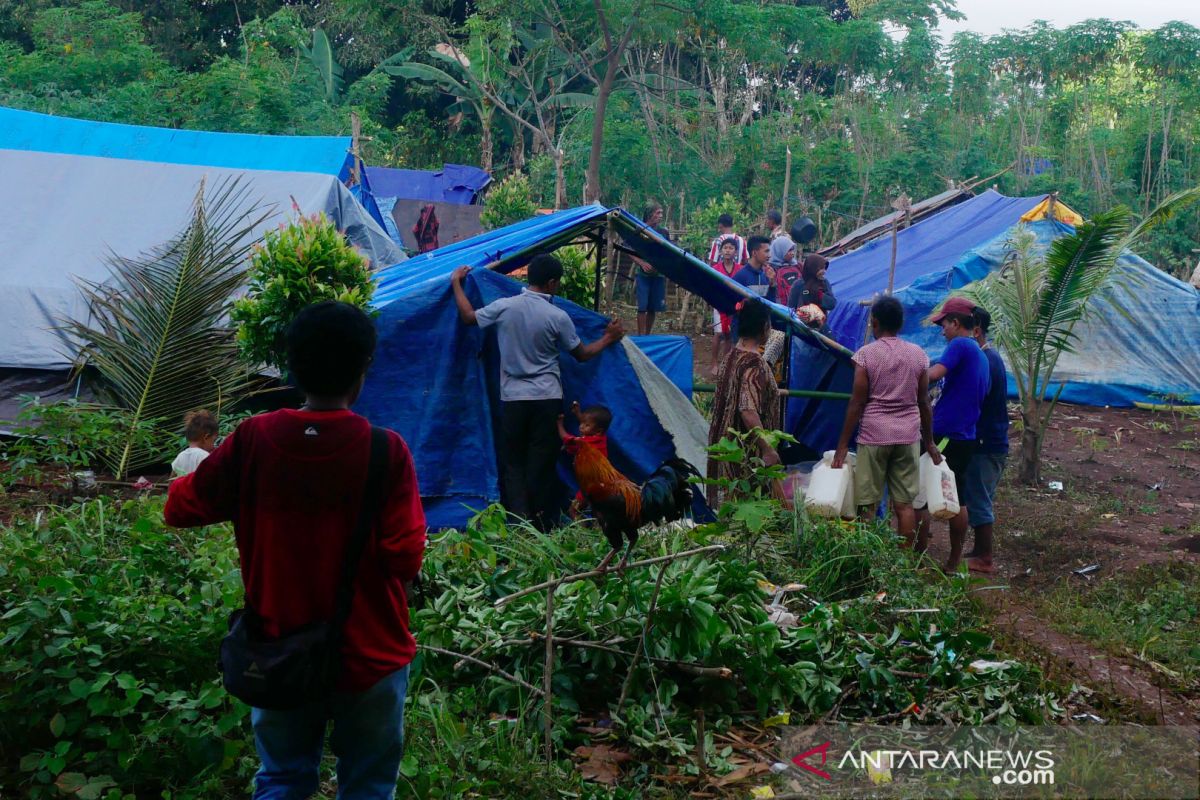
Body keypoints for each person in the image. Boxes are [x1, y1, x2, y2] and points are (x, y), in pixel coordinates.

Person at [164, 301, 427, 799]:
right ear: (363, 370)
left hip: (277, 650)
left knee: (283, 780)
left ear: (292, 365)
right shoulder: (385, 449)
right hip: (370, 654)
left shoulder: (252, 439)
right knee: (368, 786)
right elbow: (404, 558)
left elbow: (179, 508)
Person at [451, 254, 624, 530]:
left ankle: (519, 523)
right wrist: (608, 338)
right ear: (552, 283)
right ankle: (541, 524)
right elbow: (581, 354)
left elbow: (468, 317)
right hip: (547, 398)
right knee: (541, 463)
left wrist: (456, 283)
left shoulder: (505, 307)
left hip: (513, 399)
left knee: (513, 464)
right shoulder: (557, 316)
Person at [832, 297, 939, 547]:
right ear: (901, 324)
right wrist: (930, 442)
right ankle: (901, 564)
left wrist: (842, 445)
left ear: (875, 322)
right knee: (904, 506)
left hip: (874, 436)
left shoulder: (866, 356)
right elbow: (924, 402)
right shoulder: (919, 356)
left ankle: (869, 560)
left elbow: (857, 403)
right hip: (908, 436)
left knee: (867, 506)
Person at [918, 296, 990, 571]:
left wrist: (903, 373)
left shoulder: (960, 345)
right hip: (966, 436)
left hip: (945, 434)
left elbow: (934, 374)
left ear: (956, 323)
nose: (942, 330)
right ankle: (953, 560)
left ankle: (919, 556)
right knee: (957, 498)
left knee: (921, 495)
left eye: (944, 324)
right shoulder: (980, 355)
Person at [706, 298, 781, 508]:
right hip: (744, 452)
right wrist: (767, 449)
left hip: (723, 443)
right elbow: (748, 410)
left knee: (727, 509)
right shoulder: (753, 363)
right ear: (765, 327)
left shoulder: (730, 356)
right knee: (744, 507)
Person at [961, 307, 1008, 573]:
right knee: (979, 494)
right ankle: (979, 551)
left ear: (975, 331)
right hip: (991, 440)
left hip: (985, 442)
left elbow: (976, 399)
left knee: (979, 498)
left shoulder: (985, 361)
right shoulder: (990, 357)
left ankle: (985, 557)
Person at [557, 401, 612, 518]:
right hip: (601, 482)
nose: (581, 427)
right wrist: (578, 413)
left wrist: (559, 424)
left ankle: (581, 531)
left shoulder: (586, 442)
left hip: (592, 484)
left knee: (574, 509)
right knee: (598, 509)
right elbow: (588, 422)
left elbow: (567, 438)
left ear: (598, 431)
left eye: (586, 425)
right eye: (581, 423)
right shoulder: (600, 438)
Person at [632, 203, 670, 335]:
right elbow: (627, 248)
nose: (661, 216)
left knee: (652, 308)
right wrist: (641, 263)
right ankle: (640, 335)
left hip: (658, 275)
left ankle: (647, 334)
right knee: (642, 307)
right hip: (643, 275)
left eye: (661, 213)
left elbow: (669, 251)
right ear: (650, 214)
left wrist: (662, 266)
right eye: (658, 213)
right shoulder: (639, 229)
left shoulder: (663, 232)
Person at [710, 237, 743, 376]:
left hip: (735, 306)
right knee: (718, 334)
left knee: (730, 334)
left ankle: (725, 363)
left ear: (736, 252)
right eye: (725, 248)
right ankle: (714, 362)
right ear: (721, 251)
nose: (728, 251)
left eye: (731, 248)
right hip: (719, 304)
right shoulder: (714, 269)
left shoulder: (740, 269)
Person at [787, 254, 836, 322]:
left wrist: (819, 294)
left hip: (820, 325)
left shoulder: (824, 283)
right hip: (800, 324)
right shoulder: (798, 285)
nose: (824, 272)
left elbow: (832, 304)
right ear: (812, 268)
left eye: (825, 268)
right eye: (820, 269)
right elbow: (791, 308)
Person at [172, 409, 219, 477]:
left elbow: (171, 484)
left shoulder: (180, 457)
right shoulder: (205, 457)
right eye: (213, 440)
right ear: (206, 437)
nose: (213, 446)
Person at [732, 236, 776, 302]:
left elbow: (772, 304)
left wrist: (772, 284)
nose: (769, 255)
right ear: (754, 253)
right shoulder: (740, 277)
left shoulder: (766, 276)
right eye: (766, 251)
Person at [769, 235, 803, 303]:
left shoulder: (797, 266)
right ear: (780, 250)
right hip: (780, 308)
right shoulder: (770, 269)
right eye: (789, 250)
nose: (792, 253)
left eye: (792, 250)